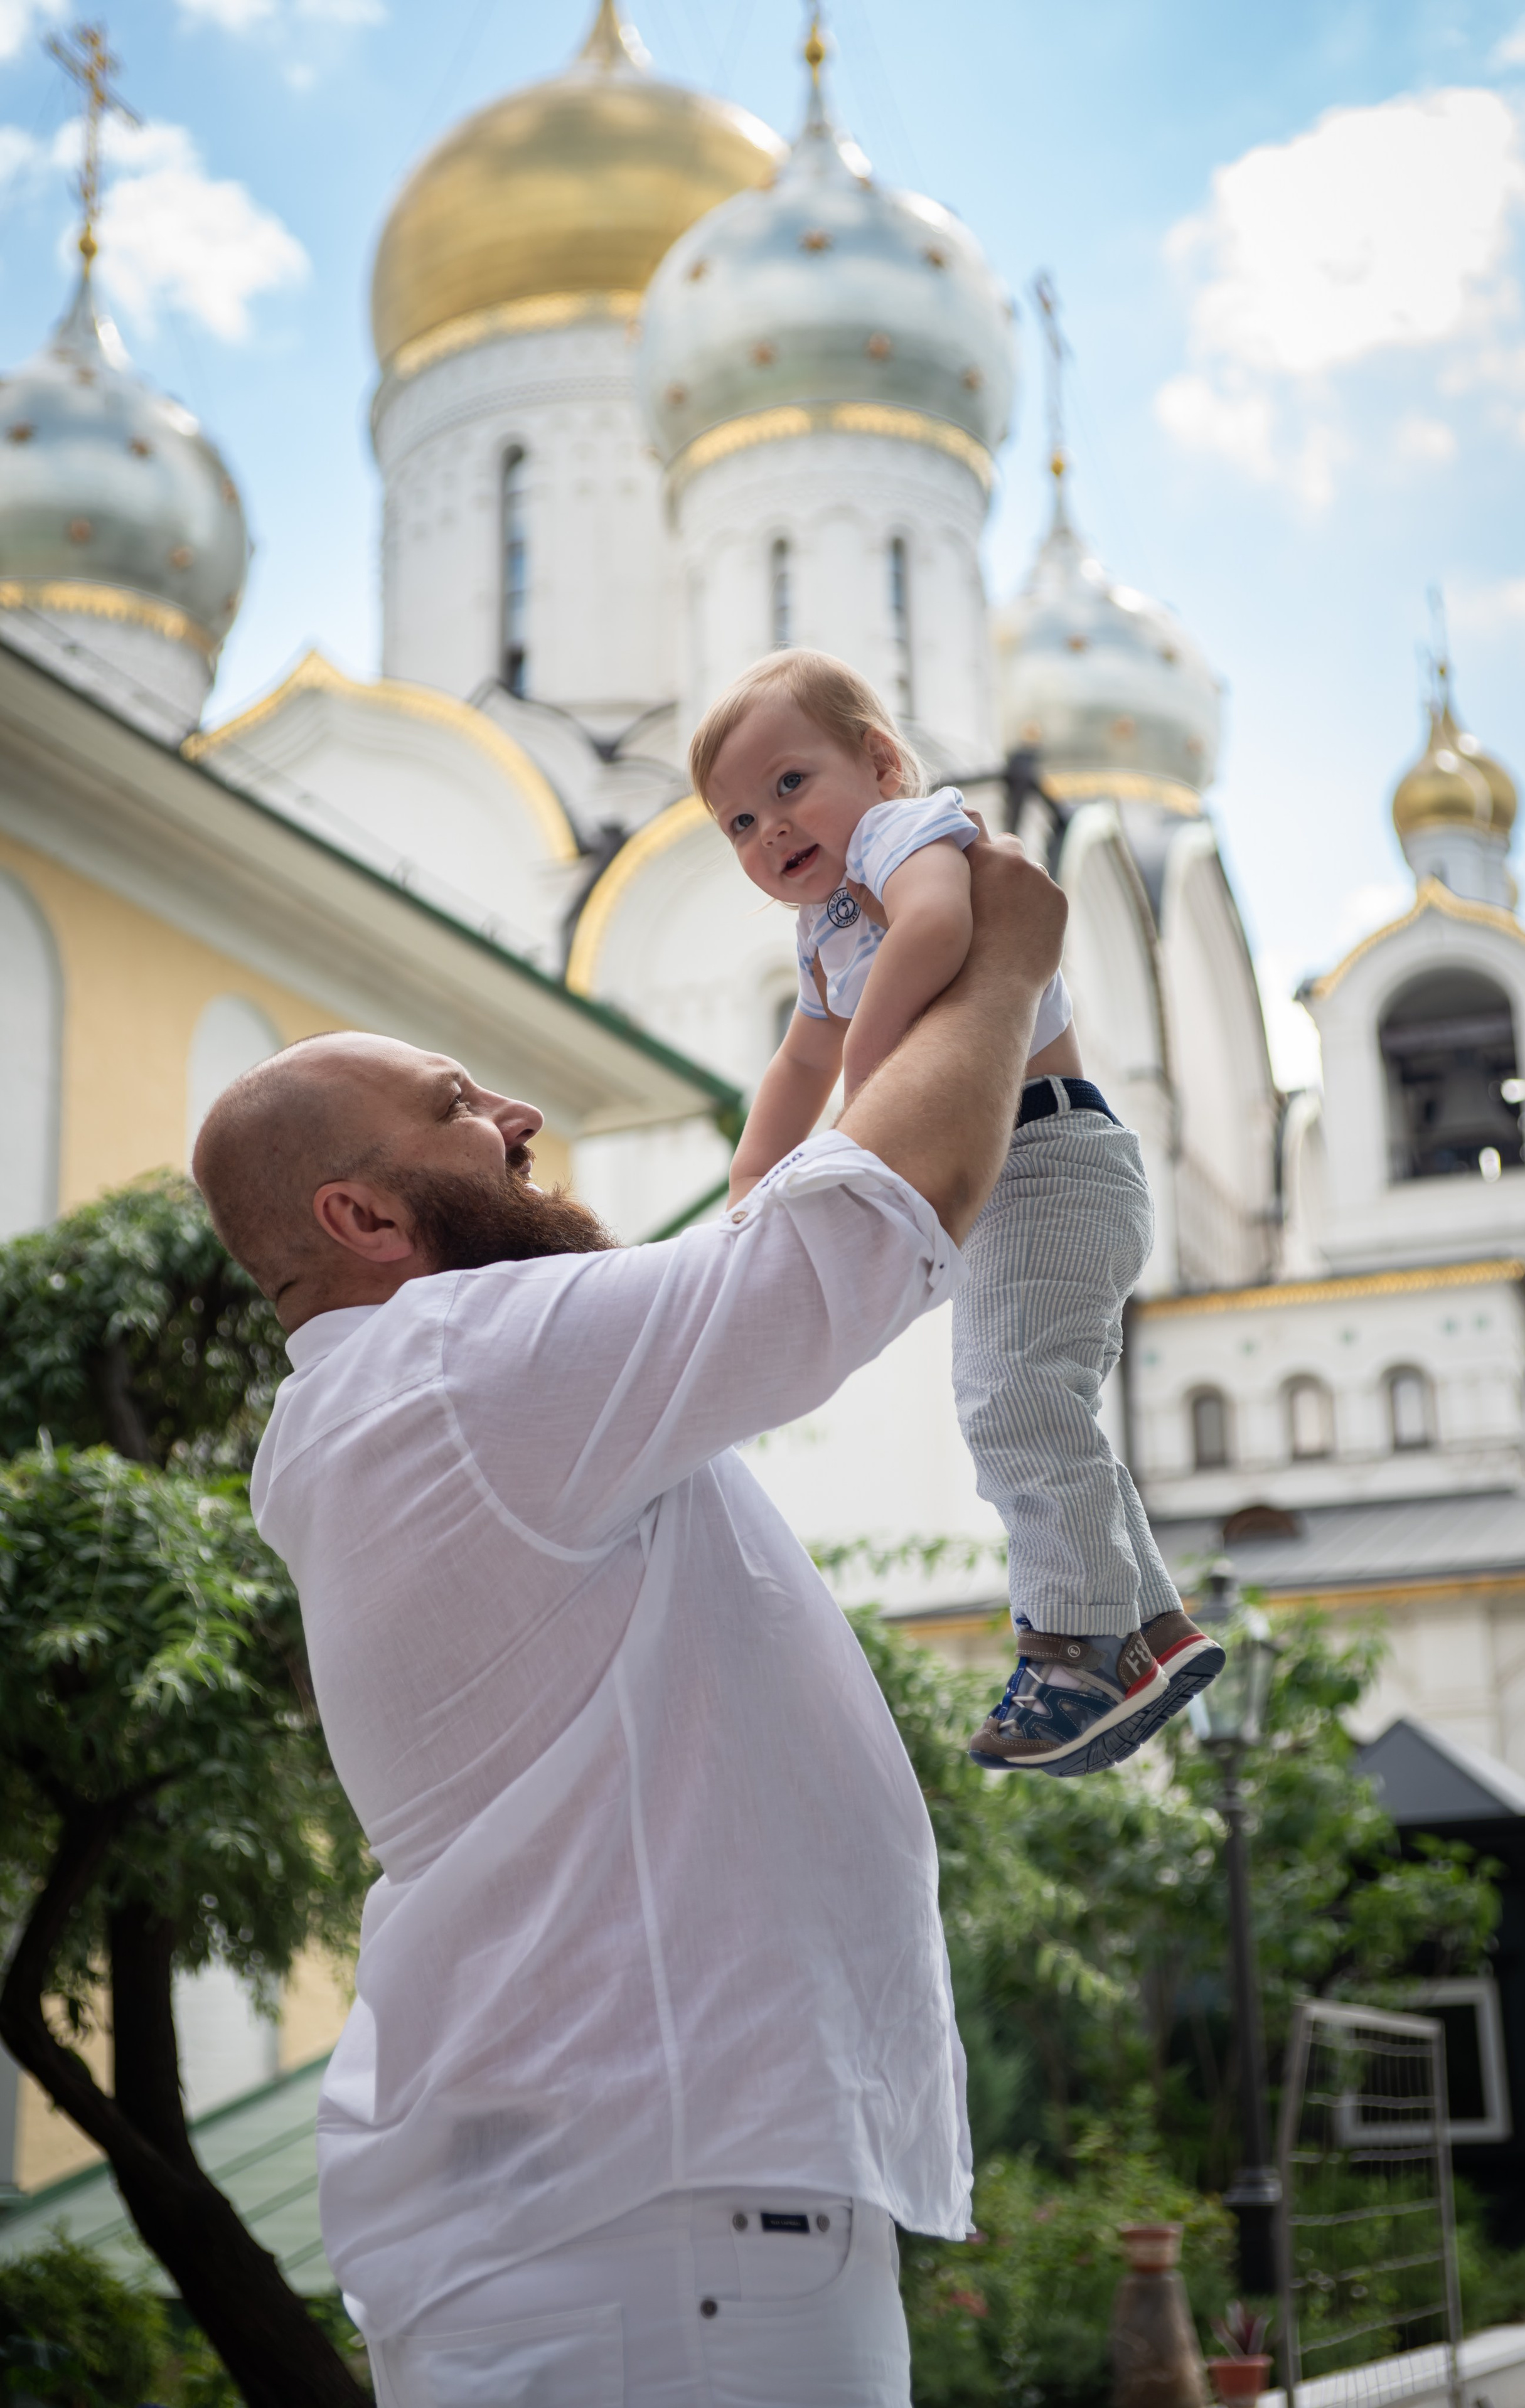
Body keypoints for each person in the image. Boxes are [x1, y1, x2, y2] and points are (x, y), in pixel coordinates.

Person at [192, 829, 1066, 2407]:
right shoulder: (463, 1366)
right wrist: (1004, 951)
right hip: (667, 2245)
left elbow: (759, 1226)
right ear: (365, 1218)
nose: (519, 1114)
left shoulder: (423, 1403)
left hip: (610, 2230)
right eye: (457, 1107)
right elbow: (880, 1216)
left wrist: (827, 1026)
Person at [693, 649, 1222, 1777]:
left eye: (790, 786)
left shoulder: (903, 835)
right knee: (1040, 1397)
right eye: (737, 822)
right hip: (1026, 1174)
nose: (769, 830)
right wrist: (750, 1187)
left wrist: (869, 1105)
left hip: (1048, 1156)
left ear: (880, 762)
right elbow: (798, 1057)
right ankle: (1149, 1625)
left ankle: (1077, 1646)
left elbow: (935, 932)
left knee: (1013, 1397)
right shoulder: (829, 923)